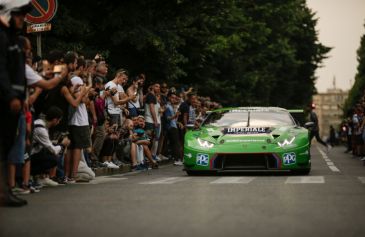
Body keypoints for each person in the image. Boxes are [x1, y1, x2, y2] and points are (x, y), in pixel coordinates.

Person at [0, 0, 32, 207]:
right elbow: (0, 70)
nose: (23, 18)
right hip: (4, 102)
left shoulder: (11, 38)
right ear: (9, 14)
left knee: (5, 148)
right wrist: (11, 95)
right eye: (19, 14)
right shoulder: (2, 37)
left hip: (12, 102)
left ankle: (5, 191)